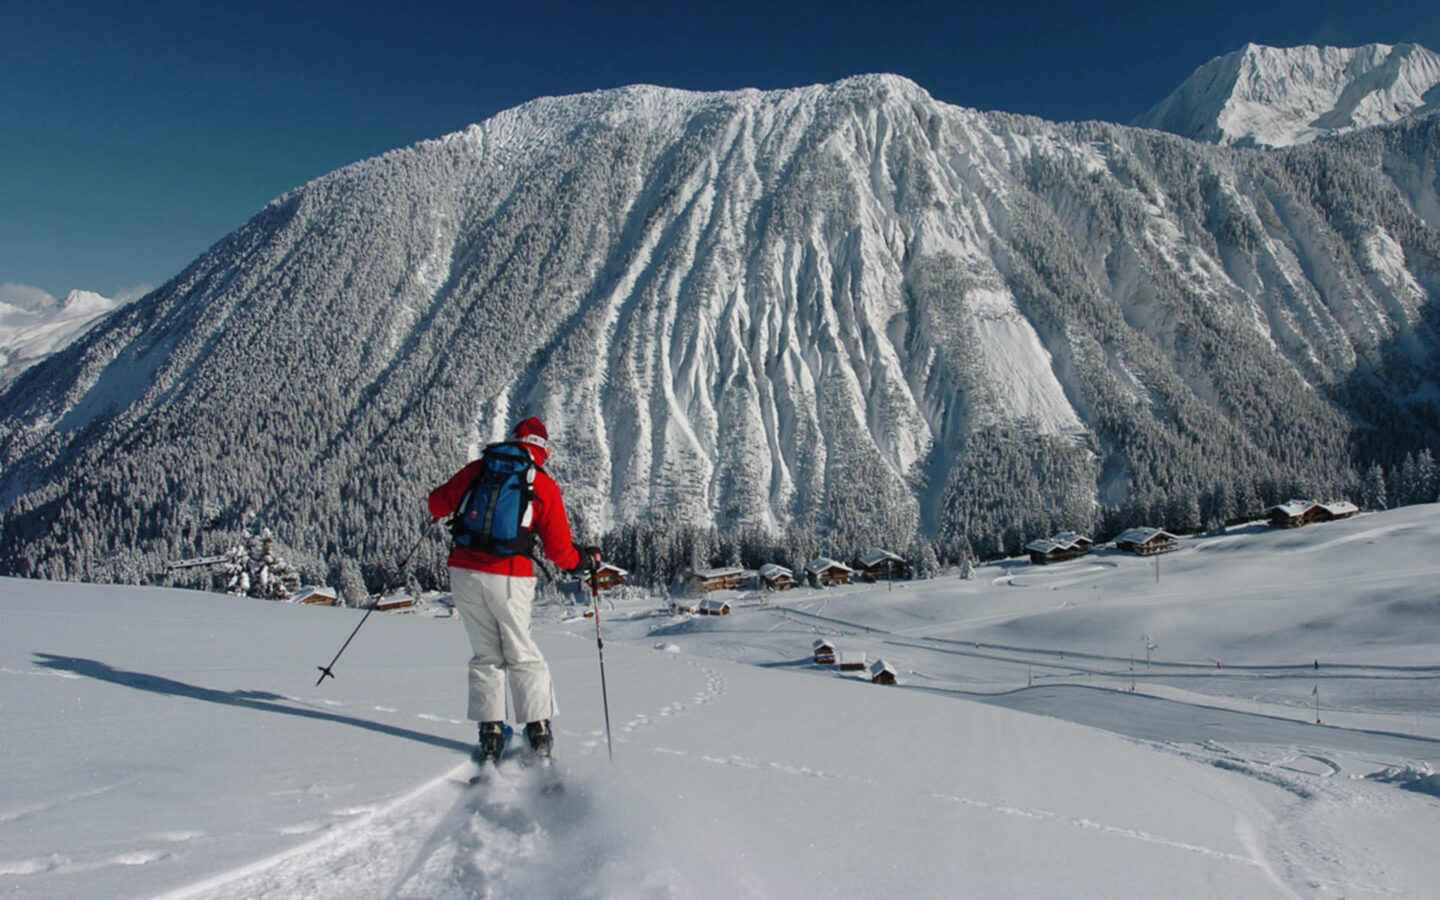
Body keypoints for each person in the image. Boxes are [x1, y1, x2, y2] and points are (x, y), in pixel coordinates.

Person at [428, 416, 599, 764]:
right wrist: (586, 561)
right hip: (509, 576)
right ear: (542, 448)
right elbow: (559, 553)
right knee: (522, 653)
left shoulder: (478, 469)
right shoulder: (542, 483)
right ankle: (537, 733)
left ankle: (491, 734)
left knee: (485, 654)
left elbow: (435, 505)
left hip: (463, 572)